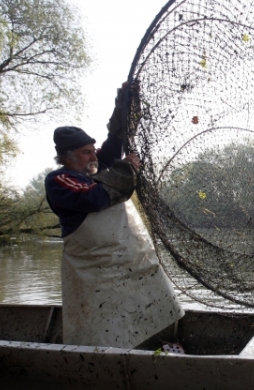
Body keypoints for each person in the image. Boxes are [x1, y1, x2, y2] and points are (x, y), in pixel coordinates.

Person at [45, 83, 183, 349]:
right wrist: (124, 168)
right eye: (86, 152)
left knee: (153, 302)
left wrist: (124, 109)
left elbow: (114, 143)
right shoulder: (61, 179)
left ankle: (159, 343)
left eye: (92, 149)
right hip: (94, 273)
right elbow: (95, 197)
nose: (94, 155)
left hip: (128, 265)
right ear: (69, 158)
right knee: (102, 323)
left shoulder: (95, 169)